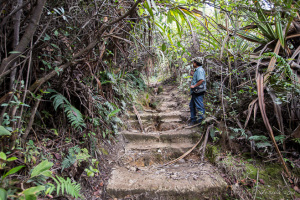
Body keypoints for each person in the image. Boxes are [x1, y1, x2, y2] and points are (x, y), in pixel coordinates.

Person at [188, 57, 206, 126]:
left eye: (193, 62)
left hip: (198, 91)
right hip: (195, 92)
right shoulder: (197, 70)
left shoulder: (199, 70)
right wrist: (193, 75)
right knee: (192, 105)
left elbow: (201, 80)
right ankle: (193, 120)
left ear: (196, 63)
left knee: (199, 106)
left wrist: (194, 86)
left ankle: (201, 122)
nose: (193, 63)